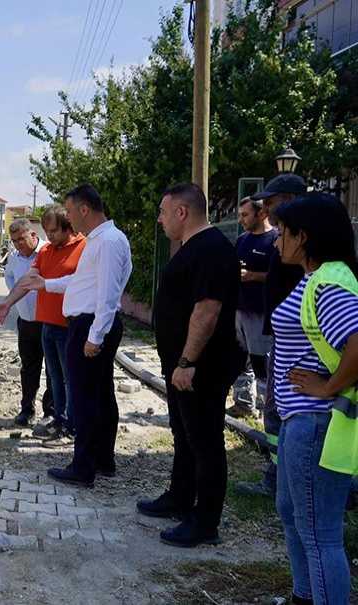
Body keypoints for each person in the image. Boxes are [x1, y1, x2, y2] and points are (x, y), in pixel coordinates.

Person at [0, 184, 131, 486]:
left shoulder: (105, 242)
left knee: (85, 398)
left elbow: (107, 294)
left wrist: (95, 336)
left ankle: (84, 467)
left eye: (68, 211)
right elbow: (83, 282)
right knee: (99, 395)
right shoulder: (106, 239)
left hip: (90, 324)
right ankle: (102, 460)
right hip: (90, 322)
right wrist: (47, 285)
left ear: (83, 209)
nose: (68, 217)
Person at [137, 183, 240, 548]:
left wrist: (186, 361)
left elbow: (207, 312)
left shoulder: (211, 250)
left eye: (163, 213)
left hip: (200, 367)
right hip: (182, 366)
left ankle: (205, 521)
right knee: (184, 435)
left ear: (182, 212)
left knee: (205, 441)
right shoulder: (192, 248)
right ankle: (180, 497)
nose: (161, 220)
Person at [269, 193, 358, 605]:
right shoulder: (317, 276)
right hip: (299, 418)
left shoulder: (330, 282)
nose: (275, 241)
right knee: (292, 515)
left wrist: (326, 386)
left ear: (303, 237)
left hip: (317, 418)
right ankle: (304, 596)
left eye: (282, 233)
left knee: (321, 534)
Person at [238, 173, 307, 498]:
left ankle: (283, 480)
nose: (266, 206)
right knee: (274, 410)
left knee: (281, 409)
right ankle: (277, 475)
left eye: (272, 200)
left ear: (290, 200)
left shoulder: (303, 239)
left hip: (298, 340)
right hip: (281, 333)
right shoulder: (285, 237)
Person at [30, 204, 87, 445]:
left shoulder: (84, 248)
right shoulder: (46, 251)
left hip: (68, 326)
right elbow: (31, 277)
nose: (48, 237)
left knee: (70, 378)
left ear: (68, 227)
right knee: (54, 377)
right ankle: (59, 418)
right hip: (47, 325)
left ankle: (71, 426)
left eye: (53, 231)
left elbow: (80, 282)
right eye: (46, 232)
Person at [229, 196, 277, 419]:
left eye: (245, 215)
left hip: (261, 313)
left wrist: (254, 276)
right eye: (239, 215)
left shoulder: (275, 240)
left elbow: (281, 277)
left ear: (262, 214)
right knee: (239, 359)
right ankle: (243, 404)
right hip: (239, 309)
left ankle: (264, 410)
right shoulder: (242, 240)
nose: (241, 219)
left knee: (261, 361)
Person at [2, 219, 49, 426]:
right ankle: (27, 410)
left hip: (48, 321)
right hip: (26, 321)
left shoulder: (47, 251)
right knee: (29, 367)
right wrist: (17, 298)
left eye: (21, 238)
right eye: (14, 240)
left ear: (33, 235)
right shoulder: (14, 257)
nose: (18, 244)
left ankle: (51, 412)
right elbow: (9, 277)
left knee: (53, 370)